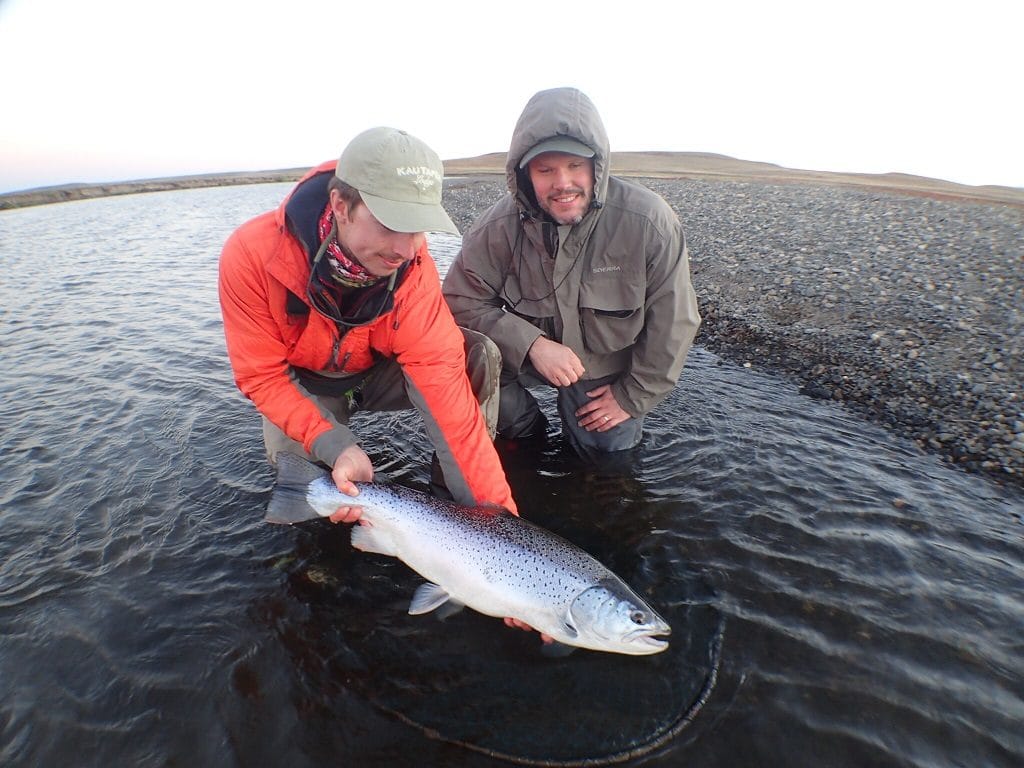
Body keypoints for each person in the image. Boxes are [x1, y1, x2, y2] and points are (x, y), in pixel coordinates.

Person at [219, 126, 517, 521]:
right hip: (306, 385)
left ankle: (455, 512)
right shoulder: (251, 255)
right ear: (341, 206)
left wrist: (497, 520)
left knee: (476, 355)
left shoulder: (414, 266)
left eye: (418, 226)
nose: (407, 248)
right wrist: (336, 444)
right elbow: (262, 377)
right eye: (392, 224)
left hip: (376, 374)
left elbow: (446, 390)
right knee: (312, 488)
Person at [442, 87, 701, 459]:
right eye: (545, 170)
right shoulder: (494, 229)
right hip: (524, 361)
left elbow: (674, 322)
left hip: (604, 372)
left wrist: (630, 398)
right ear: (524, 175)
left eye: (575, 166)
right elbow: (457, 302)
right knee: (457, 362)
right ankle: (527, 432)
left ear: (596, 166)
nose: (562, 182)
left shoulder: (649, 222)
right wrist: (532, 344)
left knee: (606, 458)